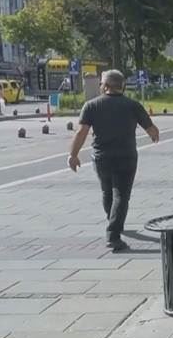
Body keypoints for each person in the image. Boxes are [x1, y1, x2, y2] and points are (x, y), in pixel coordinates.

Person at [67, 70, 159, 252]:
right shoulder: (132, 105)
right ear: (122, 86)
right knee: (121, 196)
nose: (100, 86)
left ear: (105, 86)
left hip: (102, 157)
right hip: (126, 156)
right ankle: (114, 234)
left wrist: (73, 155)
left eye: (101, 83)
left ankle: (114, 223)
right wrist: (153, 134)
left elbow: (81, 132)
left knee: (107, 192)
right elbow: (151, 129)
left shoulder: (91, 105)